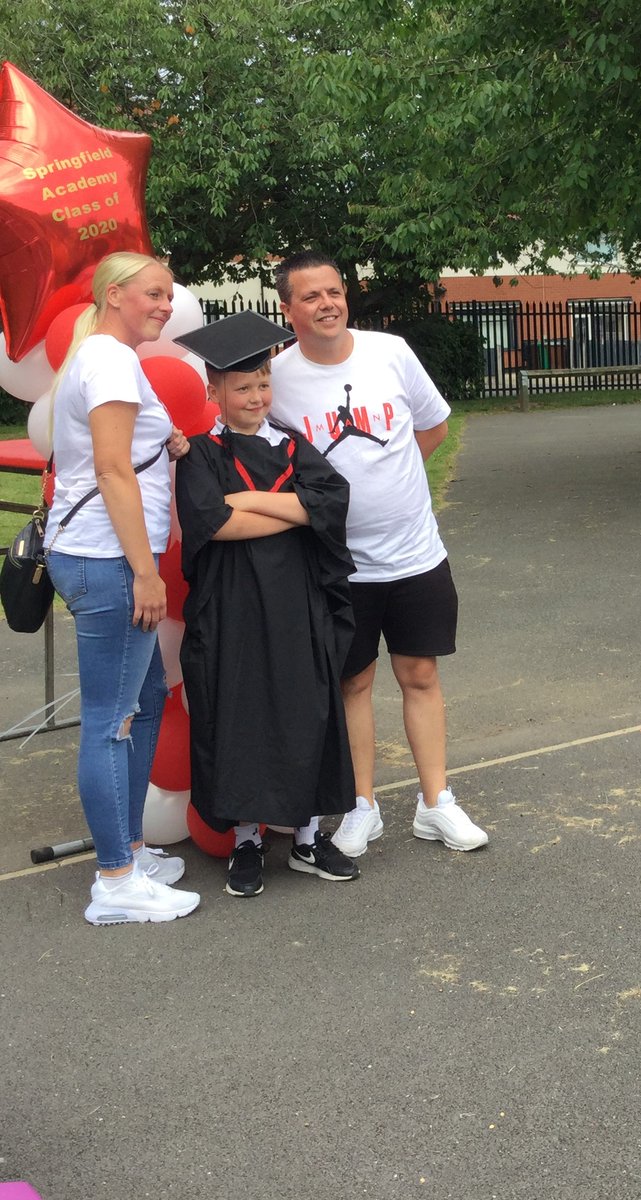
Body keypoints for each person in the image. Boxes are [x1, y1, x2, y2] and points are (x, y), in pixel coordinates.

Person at [269, 250, 488, 857]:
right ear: (287, 309)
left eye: (334, 292)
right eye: (310, 296)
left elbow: (434, 425)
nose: (327, 304)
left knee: (420, 674)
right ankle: (362, 807)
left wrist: (397, 485)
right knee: (353, 683)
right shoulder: (278, 378)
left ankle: (435, 802)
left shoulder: (390, 352)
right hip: (338, 564)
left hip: (415, 554)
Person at [173, 310, 360, 897]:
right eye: (242, 387)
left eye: (262, 385)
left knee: (305, 710)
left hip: (295, 604)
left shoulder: (293, 445)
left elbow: (327, 506)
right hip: (232, 609)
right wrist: (287, 511)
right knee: (241, 715)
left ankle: (306, 838)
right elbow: (215, 524)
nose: (256, 396)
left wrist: (249, 498)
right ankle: (249, 841)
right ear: (214, 391)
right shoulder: (200, 453)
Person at [44, 251, 200, 925]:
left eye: (170, 296)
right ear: (114, 296)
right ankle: (114, 881)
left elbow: (121, 448)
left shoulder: (111, 358)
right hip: (108, 563)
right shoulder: (107, 360)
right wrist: (143, 571)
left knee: (140, 700)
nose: (166, 305)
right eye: (154, 294)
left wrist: (168, 441)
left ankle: (130, 850)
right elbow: (110, 469)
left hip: (102, 557)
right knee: (113, 722)